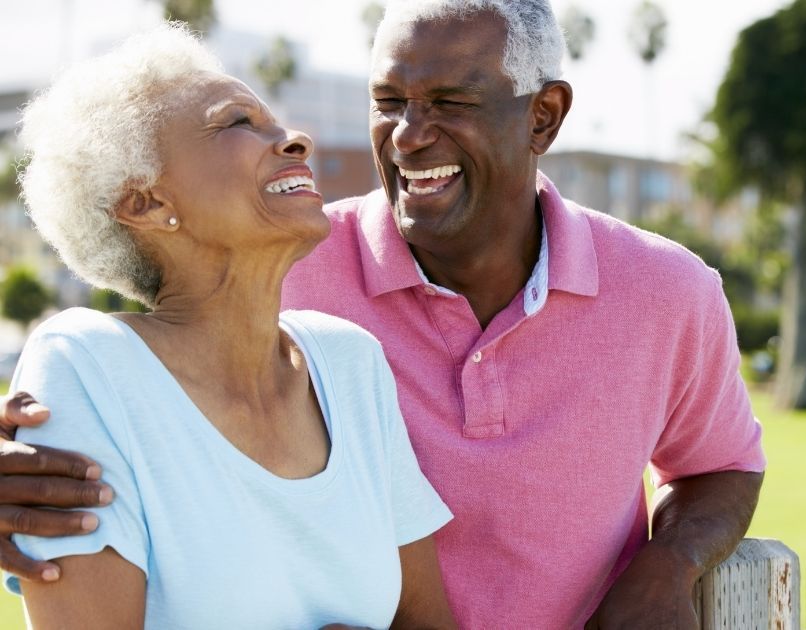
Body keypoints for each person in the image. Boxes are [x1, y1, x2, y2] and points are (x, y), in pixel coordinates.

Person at [0, 1, 766, 628]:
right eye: (389, 103)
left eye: (450, 103)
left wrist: (668, 567)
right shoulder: (268, 277)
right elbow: (121, 437)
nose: (408, 135)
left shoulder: (667, 289)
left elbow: (723, 464)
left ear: (543, 118)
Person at [1, 24, 456, 629]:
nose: (296, 139)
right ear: (145, 202)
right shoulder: (86, 365)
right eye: (238, 123)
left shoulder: (350, 363)